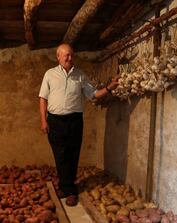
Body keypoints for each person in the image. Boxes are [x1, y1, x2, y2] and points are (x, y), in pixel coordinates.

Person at [39, 43, 119, 206]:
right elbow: (43, 98)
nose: (70, 58)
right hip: (55, 121)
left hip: (75, 120)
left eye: (71, 55)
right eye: (66, 55)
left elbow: (93, 95)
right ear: (58, 57)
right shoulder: (50, 74)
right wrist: (43, 120)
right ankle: (68, 188)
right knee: (60, 155)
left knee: (72, 154)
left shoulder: (80, 75)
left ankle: (67, 189)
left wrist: (110, 88)